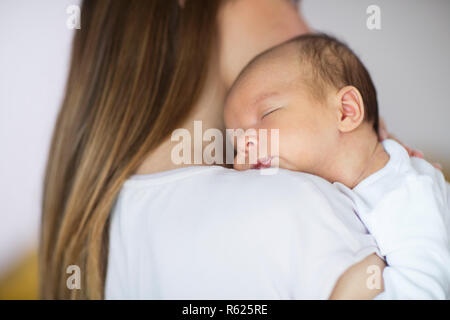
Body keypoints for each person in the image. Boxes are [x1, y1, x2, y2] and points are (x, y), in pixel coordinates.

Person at [41, 0, 423, 300]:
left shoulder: (107, 239)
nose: (307, 30)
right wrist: (395, 186)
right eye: (292, 3)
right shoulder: (295, 203)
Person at [224, 33, 450, 299]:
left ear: (345, 111)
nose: (246, 144)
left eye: (266, 114)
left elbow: (424, 291)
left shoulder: (406, 190)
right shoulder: (336, 196)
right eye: (236, 144)